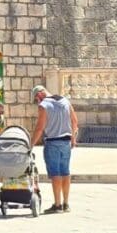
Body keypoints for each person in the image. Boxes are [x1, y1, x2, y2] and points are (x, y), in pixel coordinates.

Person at [31, 85, 78, 214]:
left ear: (40, 94)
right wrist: (73, 138)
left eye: (36, 99)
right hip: (66, 142)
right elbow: (74, 122)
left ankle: (57, 204)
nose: (37, 102)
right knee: (65, 172)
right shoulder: (65, 101)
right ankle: (66, 203)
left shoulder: (44, 105)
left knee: (55, 173)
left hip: (52, 142)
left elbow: (40, 128)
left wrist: (31, 145)